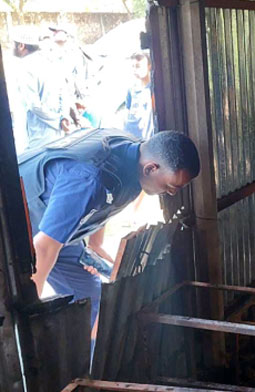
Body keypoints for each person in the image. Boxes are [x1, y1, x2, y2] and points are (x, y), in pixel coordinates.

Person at [18, 129, 200, 341]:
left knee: (93, 302)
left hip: (61, 231)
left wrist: (96, 246)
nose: (172, 193)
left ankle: (88, 368)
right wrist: (27, 312)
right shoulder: (88, 179)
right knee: (19, 316)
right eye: (171, 186)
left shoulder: (134, 156)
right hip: (22, 233)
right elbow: (43, 248)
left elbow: (104, 199)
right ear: (151, 168)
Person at [4, 26, 41, 154]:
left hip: (32, 134)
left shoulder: (26, 67)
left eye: (12, 44)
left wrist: (55, 120)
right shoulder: (41, 63)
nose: (10, 47)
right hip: (34, 131)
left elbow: (33, 105)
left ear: (21, 46)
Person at [123, 50, 155, 140]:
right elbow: (127, 111)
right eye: (133, 66)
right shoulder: (131, 90)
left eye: (138, 66)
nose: (135, 70)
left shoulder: (154, 89)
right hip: (132, 138)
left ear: (149, 66)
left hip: (147, 139)